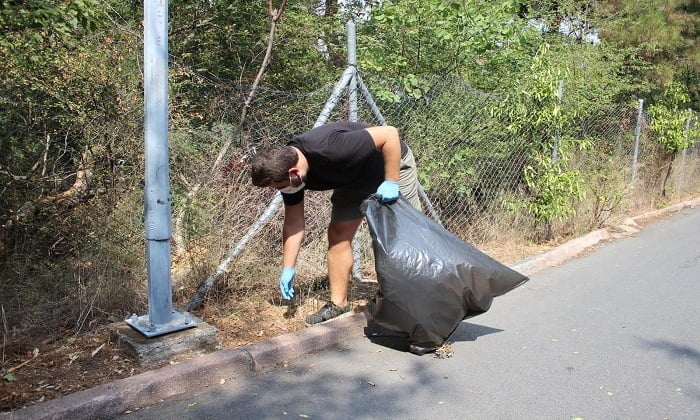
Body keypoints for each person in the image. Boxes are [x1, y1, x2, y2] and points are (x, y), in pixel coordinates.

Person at [250, 121, 421, 324]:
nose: (280, 191)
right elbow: (294, 224)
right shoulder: (290, 179)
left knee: (405, 236)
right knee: (338, 234)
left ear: (294, 173)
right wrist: (288, 267)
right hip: (352, 179)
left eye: (279, 186)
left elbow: (390, 133)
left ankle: (409, 300)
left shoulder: (329, 147)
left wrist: (391, 182)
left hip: (389, 165)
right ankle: (338, 304)